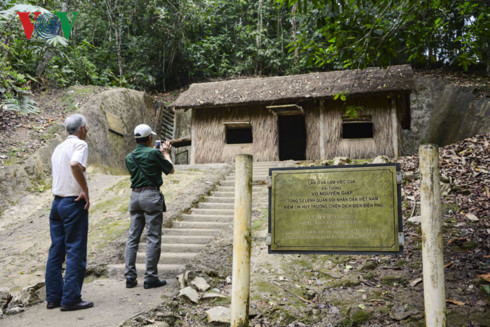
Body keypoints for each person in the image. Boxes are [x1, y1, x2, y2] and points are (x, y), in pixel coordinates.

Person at [45, 113, 93, 311]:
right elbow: (74, 165)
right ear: (81, 129)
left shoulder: (58, 148)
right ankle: (71, 298)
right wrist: (85, 191)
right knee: (75, 250)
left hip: (56, 204)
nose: (87, 130)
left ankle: (53, 298)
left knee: (56, 251)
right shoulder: (80, 145)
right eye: (86, 127)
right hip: (72, 203)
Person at [124, 124, 174, 289]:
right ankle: (150, 277)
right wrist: (165, 153)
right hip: (151, 196)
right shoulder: (154, 153)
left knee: (133, 238)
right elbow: (170, 170)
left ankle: (130, 277)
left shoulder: (129, 157)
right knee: (152, 237)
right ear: (149, 138)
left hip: (135, 197)